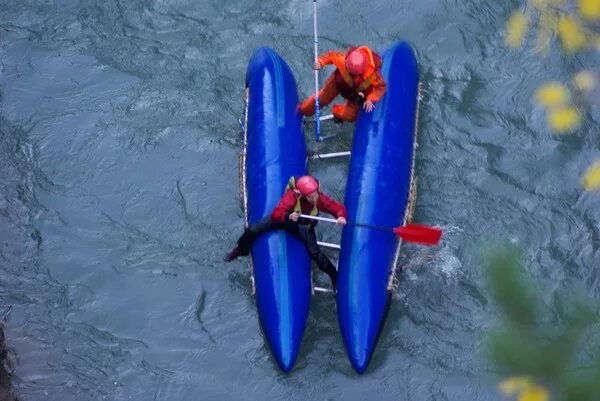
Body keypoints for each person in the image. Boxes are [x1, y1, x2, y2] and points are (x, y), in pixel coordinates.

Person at [224, 175, 347, 290]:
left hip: (303, 226)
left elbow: (337, 208)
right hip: (285, 220)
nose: (315, 198)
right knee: (251, 230)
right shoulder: (291, 196)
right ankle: (241, 250)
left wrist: (341, 216)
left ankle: (333, 275)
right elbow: (277, 213)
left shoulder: (318, 198)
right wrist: (289, 216)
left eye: (315, 194)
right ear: (302, 195)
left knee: (316, 254)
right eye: (311, 196)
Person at [299, 45, 387, 122]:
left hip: (357, 95)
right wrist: (320, 62)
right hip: (338, 83)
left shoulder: (372, 75)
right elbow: (331, 56)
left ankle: (336, 112)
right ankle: (302, 111)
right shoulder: (343, 61)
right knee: (322, 97)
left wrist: (370, 99)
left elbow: (381, 87)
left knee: (351, 115)